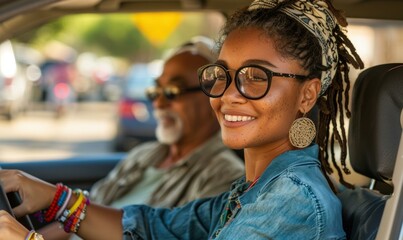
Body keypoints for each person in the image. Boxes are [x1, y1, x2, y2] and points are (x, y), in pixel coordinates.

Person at [0, 0, 364, 239]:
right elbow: (151, 228)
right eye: (221, 74)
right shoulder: (253, 190)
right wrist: (57, 199)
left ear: (307, 94)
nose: (228, 94)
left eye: (257, 76)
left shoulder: (291, 200)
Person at [36, 36, 245, 240]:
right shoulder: (143, 155)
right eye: (157, 90)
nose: (159, 103)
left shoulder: (224, 178)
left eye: (173, 91)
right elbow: (80, 216)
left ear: (215, 96)